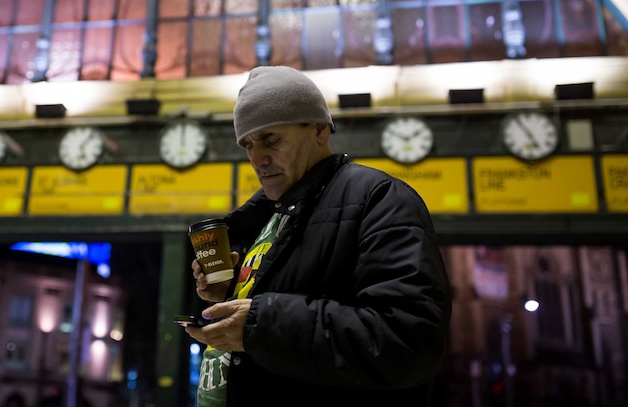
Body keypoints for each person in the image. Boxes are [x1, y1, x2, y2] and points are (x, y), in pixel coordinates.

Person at [182, 65, 452, 406]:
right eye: (248, 144)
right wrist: (229, 292)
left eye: (270, 139)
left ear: (321, 130)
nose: (257, 158)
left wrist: (260, 326)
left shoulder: (380, 199)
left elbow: (410, 341)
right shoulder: (267, 217)